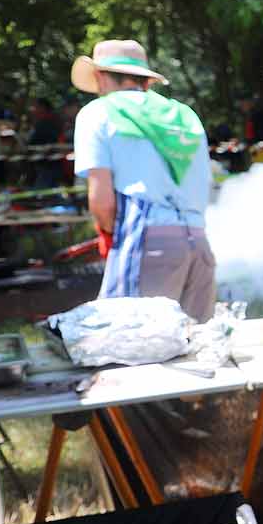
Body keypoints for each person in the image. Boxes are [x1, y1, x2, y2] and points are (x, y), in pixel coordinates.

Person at [70, 39, 216, 321]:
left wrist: (109, 232)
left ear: (100, 77)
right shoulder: (185, 115)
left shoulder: (98, 112)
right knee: (197, 347)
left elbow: (101, 202)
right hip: (198, 244)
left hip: (146, 244)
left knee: (132, 349)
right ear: (146, 81)